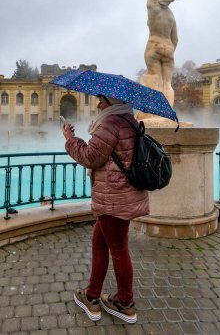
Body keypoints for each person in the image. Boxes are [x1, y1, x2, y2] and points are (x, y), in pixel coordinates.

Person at [62, 95, 149, 323]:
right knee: (100, 243)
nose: (98, 104)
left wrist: (71, 139)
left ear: (112, 103)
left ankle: (125, 303)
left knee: (118, 249)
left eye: (102, 101)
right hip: (125, 193)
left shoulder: (111, 123)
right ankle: (92, 295)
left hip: (114, 197)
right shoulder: (130, 120)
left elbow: (91, 157)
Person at [144, 0, 182, 106]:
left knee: (156, 80)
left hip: (154, 45)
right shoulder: (171, 16)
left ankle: (157, 111)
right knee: (167, 83)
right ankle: (168, 112)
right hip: (169, 48)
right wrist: (169, 51)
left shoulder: (152, 6)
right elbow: (175, 39)